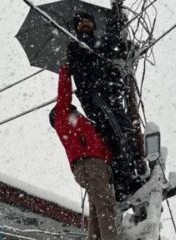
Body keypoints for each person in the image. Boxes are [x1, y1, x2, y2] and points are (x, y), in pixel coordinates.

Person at [50, 64, 132, 240]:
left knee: (98, 207)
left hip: (96, 166)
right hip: (89, 164)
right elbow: (64, 95)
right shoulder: (62, 118)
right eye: (74, 110)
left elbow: (101, 143)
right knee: (104, 205)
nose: (77, 112)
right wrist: (66, 70)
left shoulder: (80, 124)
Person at [67, 11, 146, 202]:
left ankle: (133, 172)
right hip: (95, 94)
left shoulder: (97, 44)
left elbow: (112, 51)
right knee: (117, 132)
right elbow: (99, 49)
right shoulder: (76, 45)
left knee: (125, 129)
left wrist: (123, 49)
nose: (85, 24)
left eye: (88, 20)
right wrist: (114, 27)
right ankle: (123, 180)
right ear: (76, 28)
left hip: (108, 93)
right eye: (80, 22)